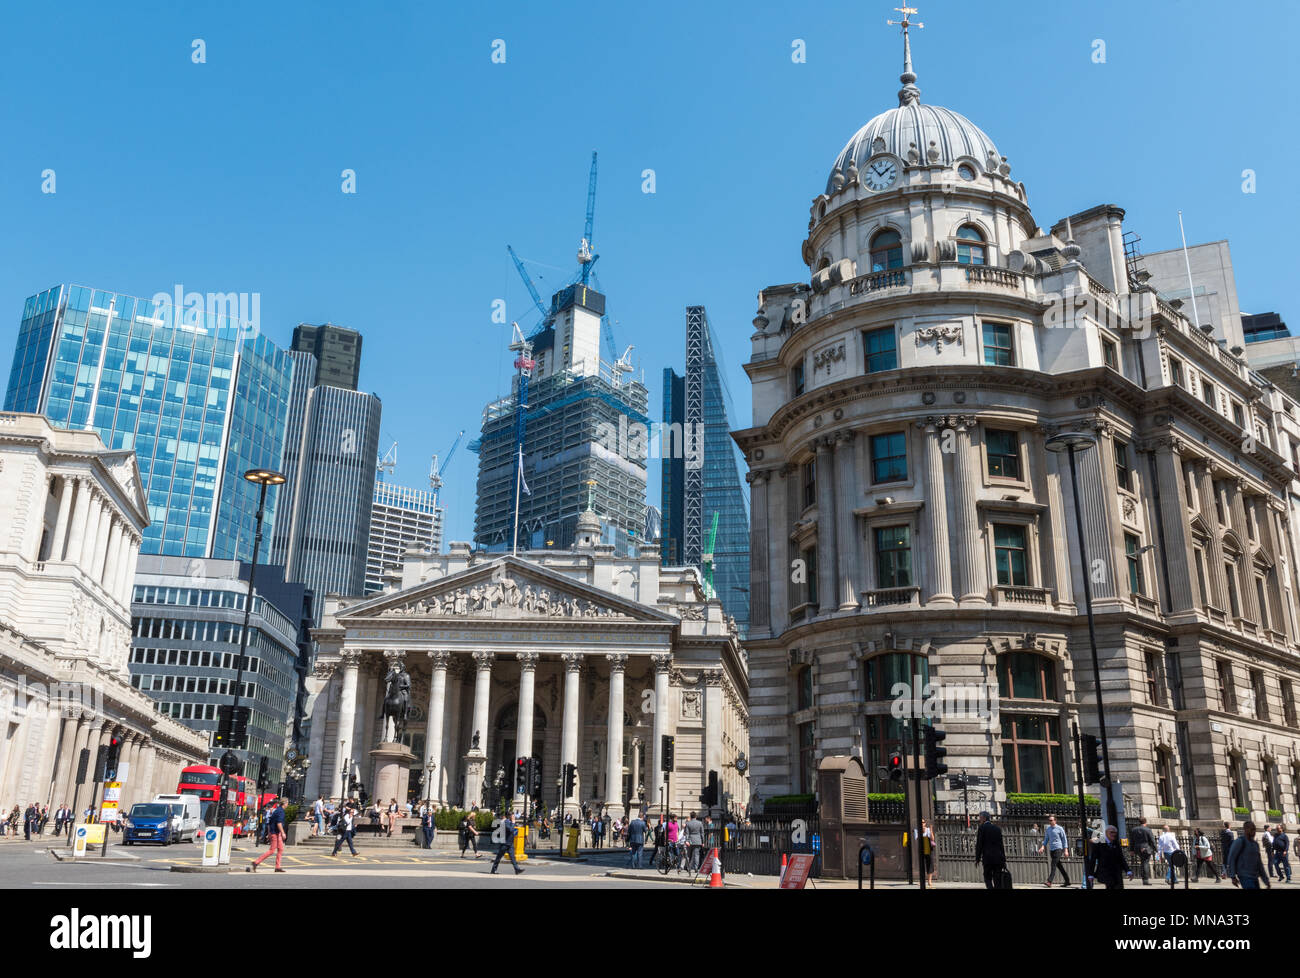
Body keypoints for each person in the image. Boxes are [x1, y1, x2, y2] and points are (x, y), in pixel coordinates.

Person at [1227, 821, 1271, 890]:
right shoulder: (1240, 841)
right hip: (1244, 876)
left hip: (1254, 876)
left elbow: (1259, 864)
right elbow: (1231, 858)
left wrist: (1266, 881)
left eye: (1254, 829)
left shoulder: (1255, 844)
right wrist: (1233, 876)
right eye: (1252, 829)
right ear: (1245, 829)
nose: (1254, 831)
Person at [1086, 825, 1132, 889]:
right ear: (1106, 832)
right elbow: (1093, 860)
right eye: (1111, 832)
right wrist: (1090, 874)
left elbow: (1121, 858)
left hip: (1116, 873)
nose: (1114, 834)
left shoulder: (1116, 843)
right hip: (1105, 872)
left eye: (1115, 832)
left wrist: (1128, 871)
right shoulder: (1099, 843)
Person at [248, 799, 288, 873]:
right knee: (272, 850)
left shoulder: (276, 810)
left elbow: (270, 822)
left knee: (280, 848)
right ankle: (256, 862)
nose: (287, 805)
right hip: (275, 833)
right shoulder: (280, 812)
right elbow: (279, 823)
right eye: (287, 803)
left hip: (275, 832)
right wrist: (283, 833)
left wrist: (269, 833)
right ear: (284, 803)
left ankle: (277, 867)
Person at [974, 811, 1008, 889]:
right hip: (998, 858)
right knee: (997, 879)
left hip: (987, 857)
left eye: (980, 818)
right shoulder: (997, 829)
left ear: (984, 818)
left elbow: (979, 844)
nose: (979, 820)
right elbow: (1001, 845)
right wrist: (1004, 859)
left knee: (987, 877)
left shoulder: (982, 828)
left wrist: (977, 858)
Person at [1037, 814, 1070, 887]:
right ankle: (1067, 881)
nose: (1050, 821)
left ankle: (1049, 881)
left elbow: (1064, 839)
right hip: (1052, 849)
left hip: (1059, 848)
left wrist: (1066, 850)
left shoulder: (1060, 828)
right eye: (1049, 820)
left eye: (1051, 820)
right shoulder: (1048, 829)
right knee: (1059, 866)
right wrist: (1042, 847)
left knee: (1053, 864)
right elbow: (1046, 839)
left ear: (1055, 821)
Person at [1128, 817, 1157, 885]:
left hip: (1137, 848)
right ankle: (1145, 880)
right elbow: (1152, 840)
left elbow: (1131, 841)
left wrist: (1131, 850)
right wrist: (1156, 849)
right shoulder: (1147, 829)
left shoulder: (1133, 830)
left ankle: (1143, 877)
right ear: (1145, 822)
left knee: (1143, 863)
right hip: (1146, 848)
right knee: (1145, 863)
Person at [920, 818, 936, 885]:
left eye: (923, 822)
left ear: (925, 823)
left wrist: (931, 830)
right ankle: (922, 880)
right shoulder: (917, 830)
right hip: (922, 848)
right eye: (921, 822)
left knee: (930, 864)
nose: (922, 824)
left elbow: (932, 839)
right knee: (921, 864)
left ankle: (929, 881)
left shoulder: (928, 830)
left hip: (928, 847)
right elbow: (916, 839)